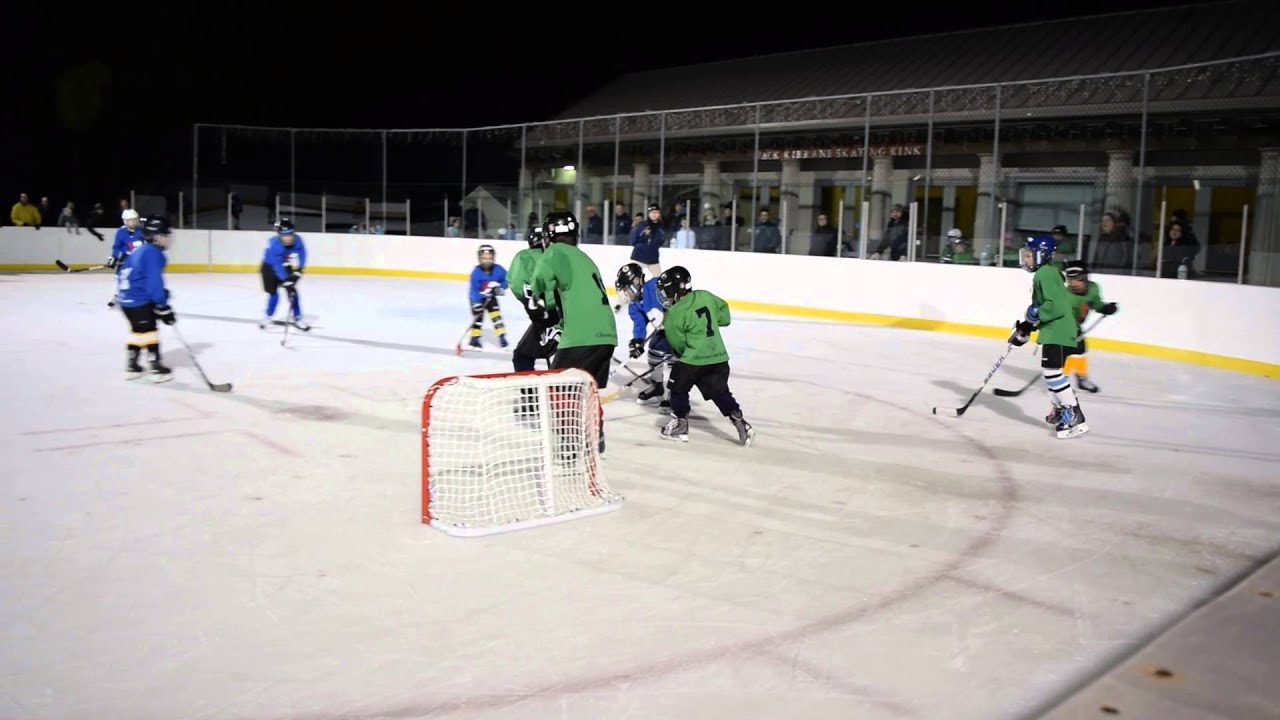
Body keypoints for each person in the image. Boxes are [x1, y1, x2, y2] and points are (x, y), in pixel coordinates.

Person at [529, 211, 618, 452]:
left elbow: (539, 282)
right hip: (607, 334)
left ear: (549, 235)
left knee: (557, 386)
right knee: (586, 387)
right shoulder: (584, 257)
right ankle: (596, 435)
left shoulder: (555, 252)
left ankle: (569, 443)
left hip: (582, 335)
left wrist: (536, 303)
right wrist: (560, 328)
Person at [656, 265, 755, 446]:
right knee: (720, 393)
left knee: (677, 388)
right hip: (719, 358)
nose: (664, 295)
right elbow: (724, 316)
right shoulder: (705, 296)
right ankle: (740, 422)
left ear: (674, 289)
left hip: (693, 361)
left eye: (665, 291)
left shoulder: (674, 314)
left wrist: (684, 354)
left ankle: (680, 425)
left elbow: (678, 345)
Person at [1009, 235, 1088, 438]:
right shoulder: (1048, 273)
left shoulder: (1044, 274)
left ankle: (1073, 414)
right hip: (1056, 329)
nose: (1026, 259)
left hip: (1058, 331)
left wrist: (1035, 315)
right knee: (1052, 373)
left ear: (1041, 255)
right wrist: (1027, 326)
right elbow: (1045, 306)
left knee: (1052, 372)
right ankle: (1062, 409)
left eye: (1030, 255)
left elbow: (1056, 307)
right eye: (1025, 255)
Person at [116, 217, 176, 383]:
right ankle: (156, 368)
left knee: (137, 330)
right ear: (155, 237)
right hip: (139, 300)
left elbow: (137, 277)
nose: (168, 239)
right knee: (150, 330)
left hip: (126, 301)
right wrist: (163, 306)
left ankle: (132, 366)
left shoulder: (140, 251)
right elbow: (154, 282)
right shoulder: (153, 253)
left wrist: (160, 295)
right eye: (165, 235)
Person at [615, 262, 671, 411]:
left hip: (678, 329)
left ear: (636, 281)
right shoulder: (634, 305)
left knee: (674, 359)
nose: (625, 293)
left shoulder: (654, 286)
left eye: (626, 288)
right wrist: (638, 341)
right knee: (654, 351)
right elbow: (639, 325)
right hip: (663, 331)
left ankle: (676, 394)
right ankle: (657, 387)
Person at [1063, 260, 1119, 393]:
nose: (1074, 283)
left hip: (1076, 326)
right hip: (1062, 327)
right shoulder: (1065, 295)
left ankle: (1081, 378)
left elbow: (1095, 303)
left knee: (1080, 350)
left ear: (1085, 277)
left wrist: (1104, 308)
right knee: (1066, 353)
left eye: (1078, 279)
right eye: (1070, 279)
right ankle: (1060, 383)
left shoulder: (1093, 288)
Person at [509, 228, 556, 370]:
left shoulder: (525, 256)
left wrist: (533, 306)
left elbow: (518, 284)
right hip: (571, 314)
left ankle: (531, 386)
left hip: (550, 315)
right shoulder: (559, 256)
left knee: (522, 356)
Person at [258, 218, 309, 331]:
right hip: (269, 268)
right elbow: (277, 266)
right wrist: (286, 279)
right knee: (274, 294)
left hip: (285, 265)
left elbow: (302, 253)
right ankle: (268, 316)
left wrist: (300, 269)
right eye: (285, 235)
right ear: (279, 235)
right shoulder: (275, 245)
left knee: (292, 293)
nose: (288, 237)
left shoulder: (298, 240)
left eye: (290, 234)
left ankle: (298, 317)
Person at [467, 244, 509, 350]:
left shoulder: (499, 270)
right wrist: (476, 303)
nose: (487, 261)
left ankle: (502, 337)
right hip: (477, 299)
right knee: (478, 318)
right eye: (484, 258)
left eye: (490, 258)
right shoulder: (476, 273)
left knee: (496, 317)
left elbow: (507, 280)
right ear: (479, 258)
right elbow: (474, 291)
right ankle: (474, 339)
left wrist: (500, 287)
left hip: (491, 297)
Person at [106, 209, 145, 308]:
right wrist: (114, 257)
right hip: (126, 257)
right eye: (131, 220)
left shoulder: (142, 231)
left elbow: (147, 244)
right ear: (125, 221)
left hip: (139, 257)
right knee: (119, 276)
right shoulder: (120, 232)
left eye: (135, 219)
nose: (134, 222)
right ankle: (117, 295)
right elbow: (117, 246)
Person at [629, 203, 665, 277]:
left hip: (653, 258)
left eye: (656, 212)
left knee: (658, 279)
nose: (654, 214)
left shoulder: (661, 227)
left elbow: (661, 240)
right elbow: (633, 240)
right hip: (639, 257)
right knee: (633, 276)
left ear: (659, 214)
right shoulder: (641, 226)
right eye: (652, 212)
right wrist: (642, 246)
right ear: (649, 214)